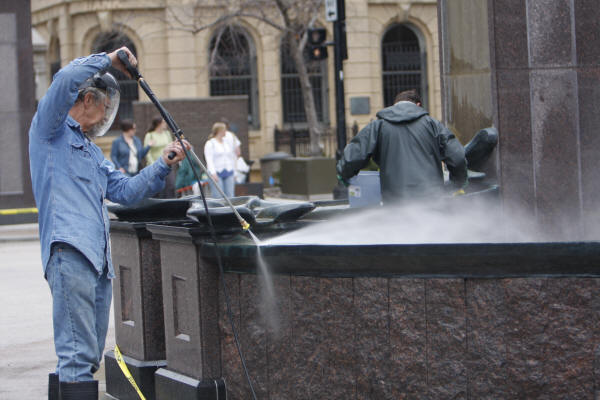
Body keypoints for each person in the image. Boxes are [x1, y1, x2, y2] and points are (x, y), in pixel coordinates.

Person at [28, 47, 188, 400]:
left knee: (85, 355)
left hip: (98, 264)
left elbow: (126, 191)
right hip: (70, 253)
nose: (107, 118)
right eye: (105, 107)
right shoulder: (49, 130)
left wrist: (163, 163)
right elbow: (65, 78)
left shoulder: (90, 152)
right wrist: (110, 58)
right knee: (78, 355)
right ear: (87, 99)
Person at [336, 89, 467, 204]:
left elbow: (354, 155)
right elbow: (458, 157)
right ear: (418, 105)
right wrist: (456, 183)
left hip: (396, 202)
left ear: (394, 106)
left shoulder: (378, 126)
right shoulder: (433, 125)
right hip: (431, 200)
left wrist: (344, 175)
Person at [204, 122, 238, 198]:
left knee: (230, 196)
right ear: (219, 131)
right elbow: (209, 159)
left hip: (229, 171)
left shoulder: (226, 143)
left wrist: (234, 172)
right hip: (216, 172)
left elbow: (232, 157)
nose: (226, 132)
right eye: (224, 130)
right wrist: (213, 173)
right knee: (218, 197)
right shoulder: (210, 143)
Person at [144, 117, 176, 197]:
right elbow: (147, 152)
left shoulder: (167, 133)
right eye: (164, 122)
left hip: (167, 163)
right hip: (155, 165)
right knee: (158, 188)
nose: (166, 124)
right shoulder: (150, 135)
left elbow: (171, 145)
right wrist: (152, 163)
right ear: (159, 124)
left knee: (171, 185)